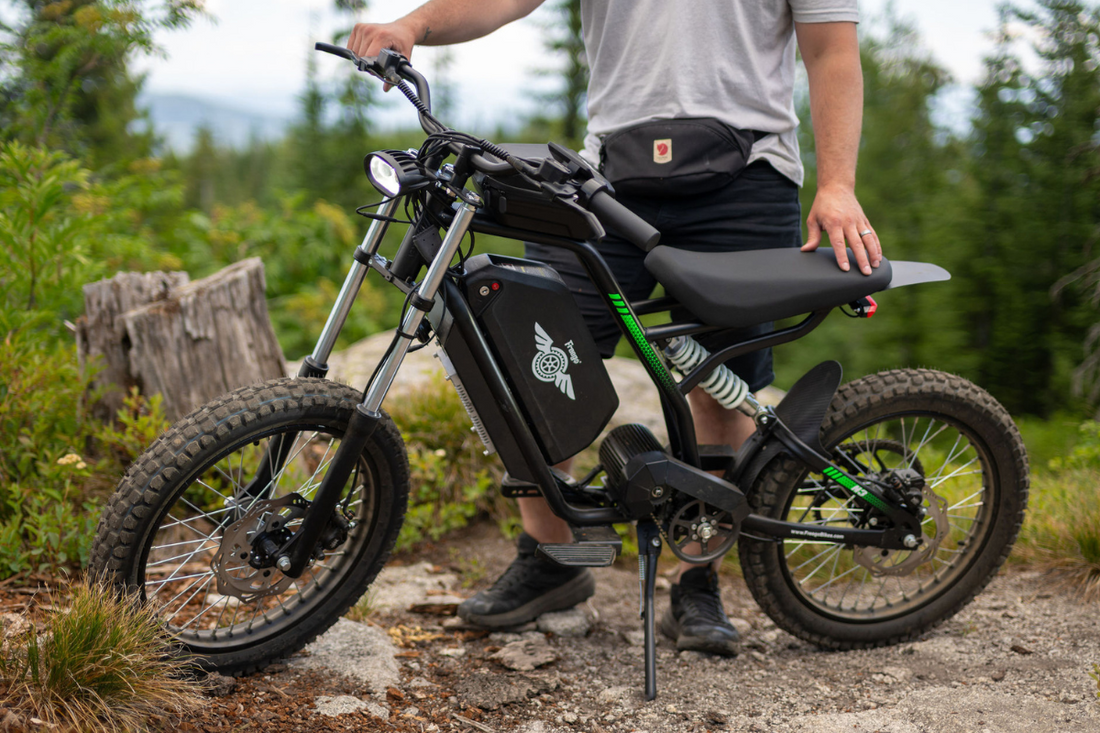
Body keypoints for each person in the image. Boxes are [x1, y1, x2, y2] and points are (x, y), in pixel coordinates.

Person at [348, 0, 881, 657]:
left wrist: (839, 185)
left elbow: (831, 51)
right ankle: (553, 559)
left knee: (720, 385)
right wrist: (413, 27)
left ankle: (697, 580)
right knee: (537, 360)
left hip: (749, 178)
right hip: (608, 179)